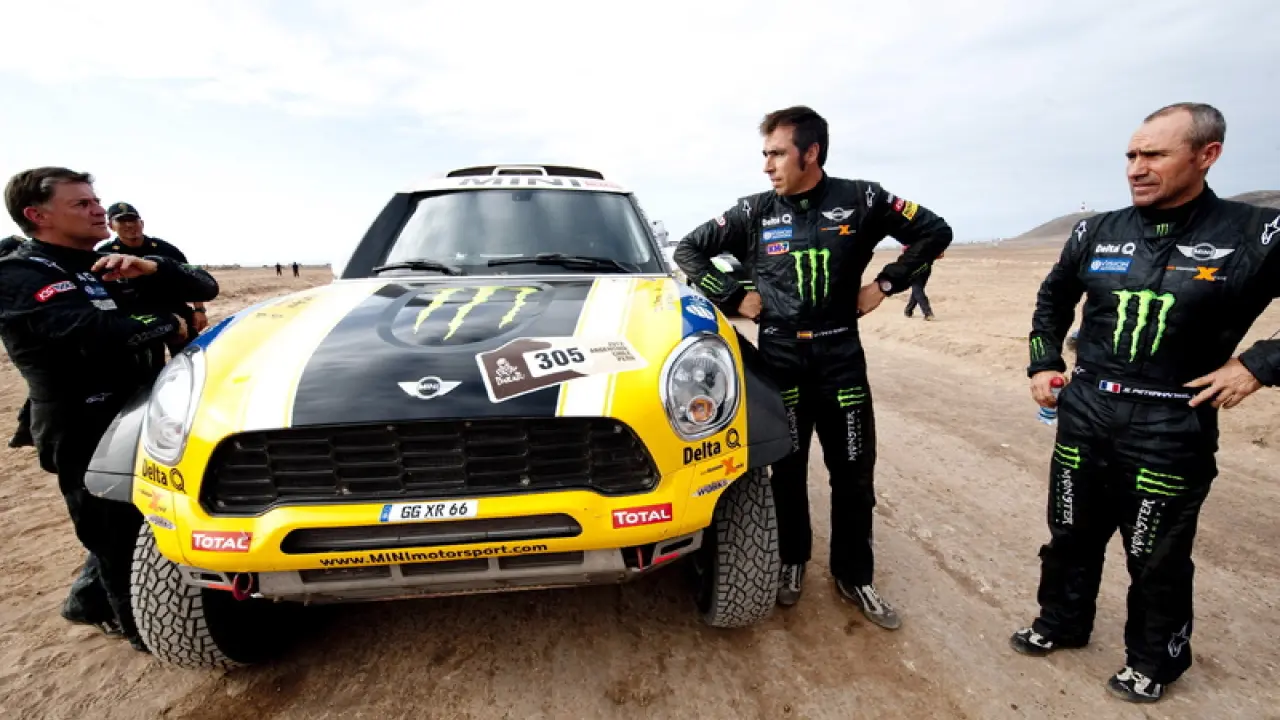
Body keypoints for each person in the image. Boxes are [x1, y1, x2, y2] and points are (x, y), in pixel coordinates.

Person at [1012, 102, 1279, 703]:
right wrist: (1044, 362)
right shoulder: (1095, 231)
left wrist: (1259, 365)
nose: (1137, 167)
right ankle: (1061, 621)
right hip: (1085, 412)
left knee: (1155, 556)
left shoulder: (1254, 233)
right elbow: (1052, 298)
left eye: (1155, 154)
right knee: (1070, 534)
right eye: (1132, 155)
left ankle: (1156, 659)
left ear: (1207, 155)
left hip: (1171, 422)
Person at [673, 105, 953, 629]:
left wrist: (885, 284)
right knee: (786, 471)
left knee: (854, 474)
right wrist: (733, 296)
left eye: (777, 154)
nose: (767, 166)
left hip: (840, 357)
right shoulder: (753, 211)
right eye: (765, 154)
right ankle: (792, 561)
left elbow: (935, 231)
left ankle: (854, 576)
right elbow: (688, 251)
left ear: (811, 153)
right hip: (780, 360)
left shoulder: (862, 199)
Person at [0, 167, 220, 651]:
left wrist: (154, 269)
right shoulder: (20, 273)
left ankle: (87, 600)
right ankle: (140, 631)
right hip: (82, 421)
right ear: (38, 215)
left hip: (138, 407)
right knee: (112, 532)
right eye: (81, 204)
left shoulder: (105, 263)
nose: (98, 210)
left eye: (95, 200)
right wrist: (168, 323)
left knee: (141, 515)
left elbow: (205, 288)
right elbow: (95, 335)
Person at [96, 202, 209, 347]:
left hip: (175, 309)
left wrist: (199, 310)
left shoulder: (165, 249)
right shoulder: (105, 254)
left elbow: (189, 279)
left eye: (133, 219)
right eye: (122, 221)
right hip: (140, 319)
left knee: (192, 353)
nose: (129, 225)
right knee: (151, 360)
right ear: (111, 226)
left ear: (142, 223)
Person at [901, 245, 942, 320]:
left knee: (917, 290)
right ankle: (908, 310)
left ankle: (928, 313)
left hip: (916, 268)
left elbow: (905, 252)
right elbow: (940, 255)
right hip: (926, 267)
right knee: (918, 290)